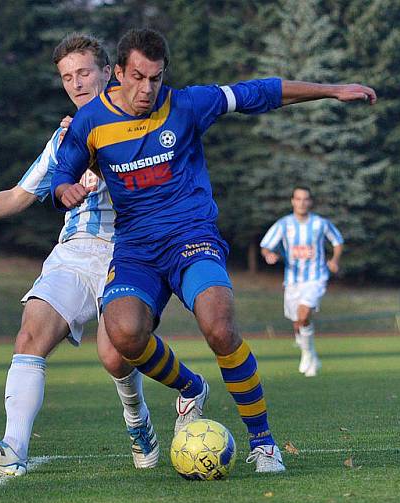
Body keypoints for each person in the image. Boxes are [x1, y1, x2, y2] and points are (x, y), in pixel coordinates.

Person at [50, 28, 376, 473]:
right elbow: (63, 170)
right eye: (139, 77)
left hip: (192, 236)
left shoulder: (186, 105)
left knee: (219, 325)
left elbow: (260, 92)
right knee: (124, 335)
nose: (147, 89)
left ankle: (263, 444)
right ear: (120, 73)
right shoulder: (92, 122)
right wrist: (63, 188)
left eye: (157, 78)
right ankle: (191, 386)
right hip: (136, 249)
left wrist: (332, 91)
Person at [0, 34, 209, 476]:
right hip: (75, 252)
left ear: (108, 73)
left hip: (130, 252)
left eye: (83, 73)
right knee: (30, 334)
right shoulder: (64, 138)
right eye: (67, 77)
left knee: (116, 354)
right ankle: (13, 449)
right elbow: (20, 195)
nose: (76, 84)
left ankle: (138, 420)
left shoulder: (150, 121)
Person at [260, 186, 343, 377]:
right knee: (297, 321)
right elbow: (265, 245)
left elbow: (337, 241)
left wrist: (334, 260)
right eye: (298, 199)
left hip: (316, 278)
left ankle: (307, 354)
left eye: (305, 199)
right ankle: (311, 354)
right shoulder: (284, 224)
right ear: (292, 201)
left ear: (310, 202)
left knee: (304, 313)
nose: (302, 202)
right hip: (292, 280)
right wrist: (269, 255)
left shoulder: (320, 224)